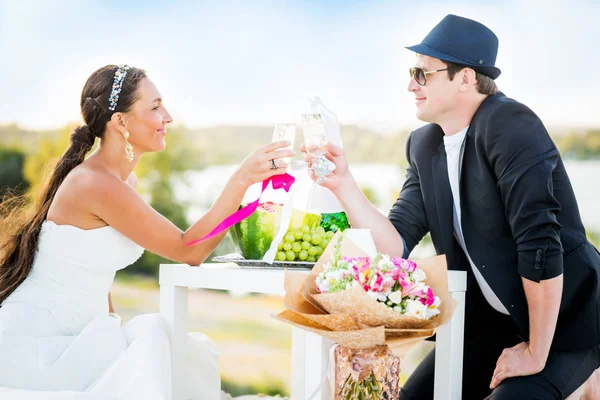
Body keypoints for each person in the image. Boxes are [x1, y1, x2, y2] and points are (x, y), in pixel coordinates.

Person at [302, 14, 600, 400]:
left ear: (466, 78)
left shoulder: (510, 123)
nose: (411, 85)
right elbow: (394, 246)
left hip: (565, 325)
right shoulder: (424, 145)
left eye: (422, 73)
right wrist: (342, 183)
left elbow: (539, 246)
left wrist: (535, 354)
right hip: (489, 325)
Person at [0, 64, 294, 399]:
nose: (167, 116)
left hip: (84, 335)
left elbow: (98, 264)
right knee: (156, 351)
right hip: (41, 346)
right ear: (121, 123)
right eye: (154, 107)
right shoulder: (96, 183)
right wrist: (241, 179)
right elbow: (190, 249)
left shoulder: (122, 181)